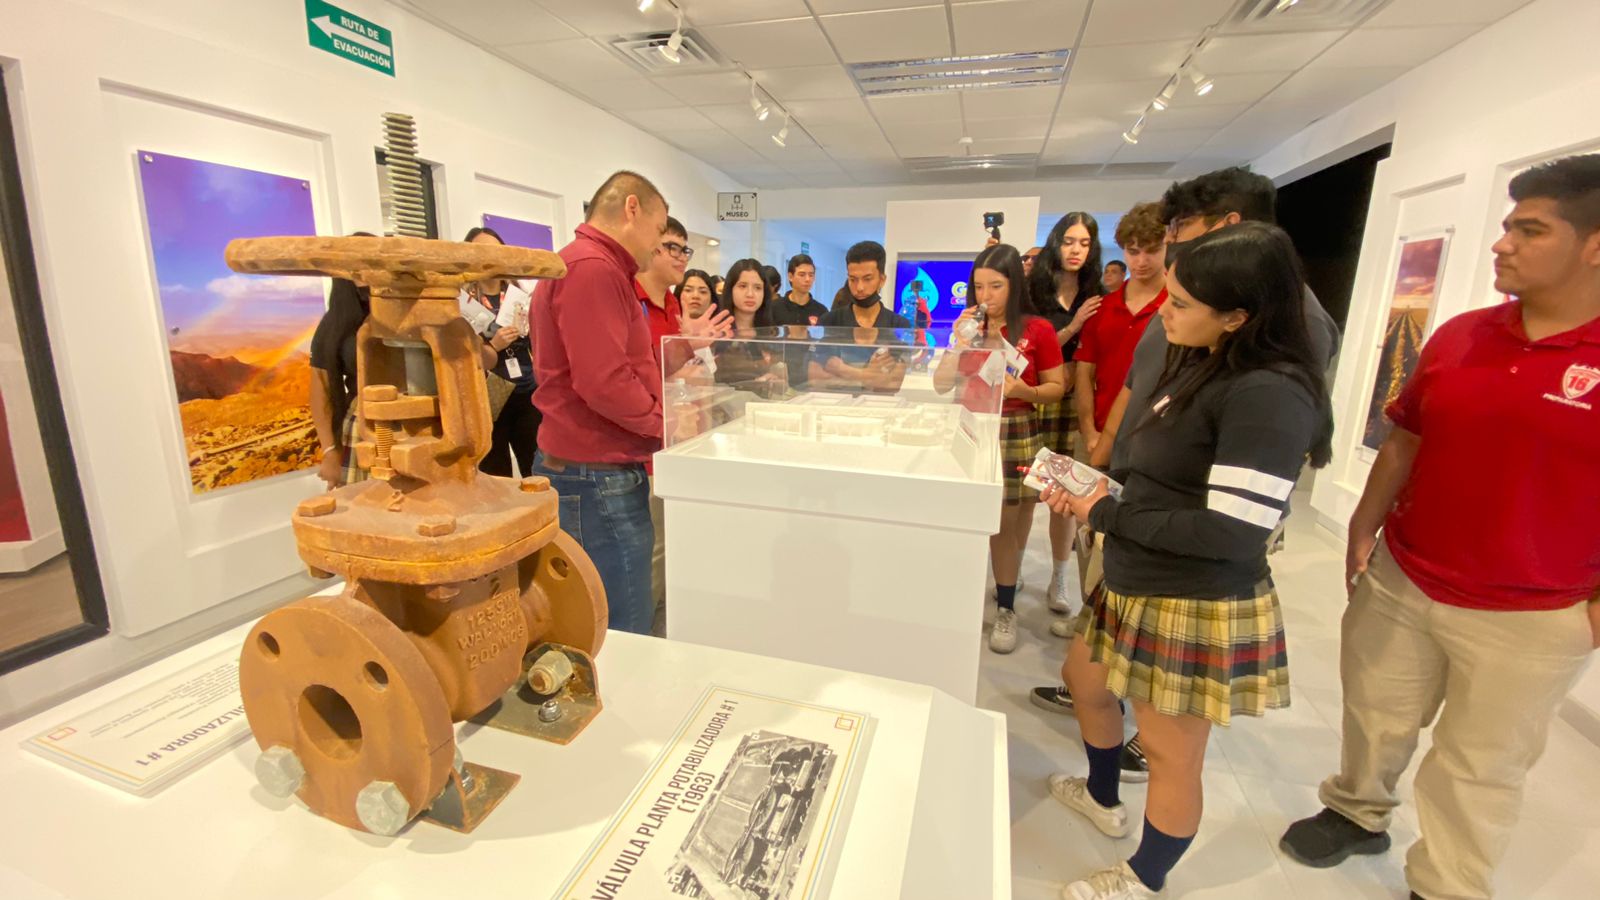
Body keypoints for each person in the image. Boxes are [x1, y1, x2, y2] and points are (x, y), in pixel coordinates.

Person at [1280, 154, 1600, 900]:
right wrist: (1364, 526)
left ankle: (1447, 884)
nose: (1502, 244)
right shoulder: (1462, 336)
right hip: (1409, 571)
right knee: (1375, 711)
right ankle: (1358, 810)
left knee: (1480, 765)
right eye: (1506, 226)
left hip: (1534, 609)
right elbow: (1406, 439)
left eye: (1529, 230)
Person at [1041, 223, 1333, 900]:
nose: (1163, 312)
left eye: (1179, 303)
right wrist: (1106, 495)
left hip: (1190, 596)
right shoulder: (1205, 359)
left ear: (1238, 316)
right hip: (1136, 574)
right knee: (1084, 681)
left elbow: (1233, 532)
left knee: (1173, 753)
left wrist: (1105, 514)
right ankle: (1103, 795)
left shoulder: (1270, 393)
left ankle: (1146, 876)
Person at [1090, 167, 1341, 472]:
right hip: (1135, 488)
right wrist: (1104, 460)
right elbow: (1139, 381)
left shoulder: (1295, 317)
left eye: (1180, 226)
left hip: (1185, 505)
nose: (1172, 238)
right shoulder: (1191, 293)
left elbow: (1259, 442)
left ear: (1229, 225)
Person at [528, 171, 671, 636]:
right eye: (658, 228)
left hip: (594, 471)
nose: (658, 244)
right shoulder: (593, 267)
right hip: (595, 474)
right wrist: (662, 425)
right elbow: (603, 380)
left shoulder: (592, 265)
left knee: (610, 615)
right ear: (632, 209)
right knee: (620, 624)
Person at [933, 244, 1066, 654]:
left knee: (1008, 522)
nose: (985, 296)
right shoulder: (966, 326)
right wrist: (958, 342)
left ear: (1015, 285)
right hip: (970, 425)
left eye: (996, 285)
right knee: (971, 519)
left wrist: (1025, 389)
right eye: (978, 286)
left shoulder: (1036, 329)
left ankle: (1005, 606)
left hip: (1014, 425)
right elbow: (940, 384)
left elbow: (1057, 388)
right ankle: (976, 592)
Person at [1028, 213, 1104, 616]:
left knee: (1069, 495)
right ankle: (1012, 571)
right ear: (1056, 243)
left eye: (1085, 243)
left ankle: (1059, 576)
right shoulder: (1036, 292)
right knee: (1026, 493)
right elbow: (1034, 349)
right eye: (1069, 241)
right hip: (1037, 397)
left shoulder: (1097, 292)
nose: (1076, 250)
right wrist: (1073, 325)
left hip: (1078, 403)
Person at [1075, 205, 1168, 466]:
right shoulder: (1101, 308)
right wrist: (1088, 430)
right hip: (1099, 431)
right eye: (1133, 251)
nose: (1141, 261)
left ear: (1167, 246)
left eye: (1152, 250)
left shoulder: (1178, 306)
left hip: (1156, 437)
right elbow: (1084, 374)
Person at [461, 226, 540, 478]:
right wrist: (494, 344)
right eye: (482, 251)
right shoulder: (464, 302)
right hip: (490, 397)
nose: (490, 258)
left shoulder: (519, 295)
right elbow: (471, 357)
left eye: (496, 251)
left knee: (536, 468)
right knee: (496, 474)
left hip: (527, 391)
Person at [810, 241, 913, 391]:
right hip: (836, 407)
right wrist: (868, 375)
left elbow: (893, 383)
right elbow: (815, 378)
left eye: (867, 279)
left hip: (881, 408)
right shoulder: (829, 321)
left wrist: (841, 369)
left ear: (882, 280)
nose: (859, 287)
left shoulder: (898, 325)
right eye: (853, 279)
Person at [309, 273, 370, 489]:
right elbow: (321, 388)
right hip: (361, 425)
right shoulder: (336, 322)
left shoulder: (406, 312)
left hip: (413, 424)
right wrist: (329, 451)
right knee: (363, 511)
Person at [772, 253, 825, 326]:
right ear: (790, 276)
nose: (807, 279)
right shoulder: (774, 308)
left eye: (811, 275)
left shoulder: (821, 311)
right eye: (802, 275)